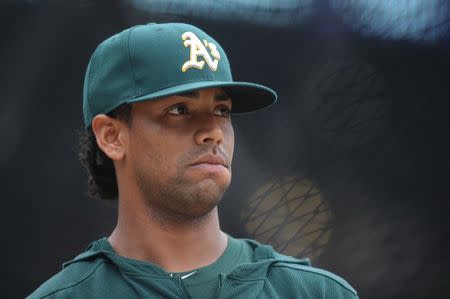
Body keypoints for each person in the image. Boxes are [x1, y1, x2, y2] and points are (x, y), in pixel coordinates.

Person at [28, 22, 358, 299]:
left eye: (222, 110)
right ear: (112, 136)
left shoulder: (316, 292)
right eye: (180, 110)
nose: (213, 132)